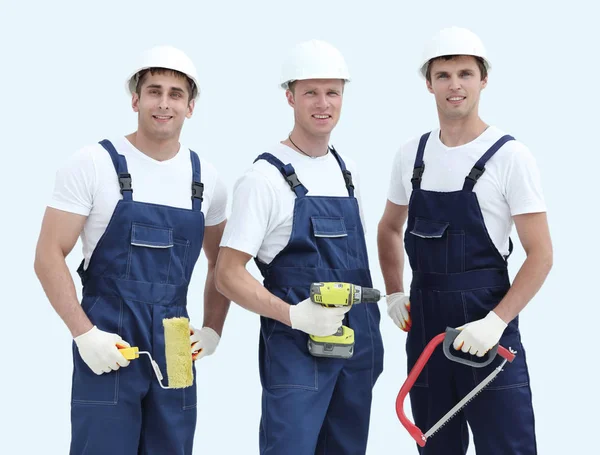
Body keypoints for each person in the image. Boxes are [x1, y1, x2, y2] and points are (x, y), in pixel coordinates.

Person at [33, 45, 230, 454]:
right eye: (154, 91)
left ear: (191, 106)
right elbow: (48, 255)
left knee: (173, 446)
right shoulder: (93, 163)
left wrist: (212, 328)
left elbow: (222, 264)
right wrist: (84, 333)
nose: (164, 103)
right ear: (136, 100)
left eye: (176, 94)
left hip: (176, 338)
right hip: (109, 334)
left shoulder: (206, 179)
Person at [377, 26, 553, 454]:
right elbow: (387, 228)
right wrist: (395, 292)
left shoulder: (510, 156)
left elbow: (541, 255)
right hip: (426, 329)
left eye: (465, 73)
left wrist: (496, 322)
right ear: (429, 83)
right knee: (435, 447)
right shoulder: (411, 155)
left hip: (487, 324)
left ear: (483, 80)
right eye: (443, 75)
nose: (454, 85)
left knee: (507, 447)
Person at [214, 39, 383, 454]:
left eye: (332, 92)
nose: (322, 103)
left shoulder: (349, 172)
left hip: (357, 344)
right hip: (296, 350)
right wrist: (293, 314)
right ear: (289, 97)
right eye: (310, 92)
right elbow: (227, 274)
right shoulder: (264, 179)